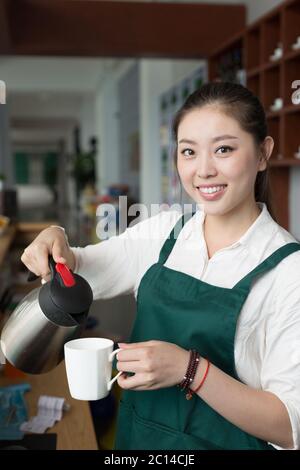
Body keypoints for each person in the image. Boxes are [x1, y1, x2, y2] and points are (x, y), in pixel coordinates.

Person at [21, 82, 300, 451]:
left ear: (263, 153)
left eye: (224, 149)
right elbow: (79, 268)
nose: (203, 170)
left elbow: (289, 426)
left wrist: (191, 371)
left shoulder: (288, 271)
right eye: (188, 152)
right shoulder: (162, 231)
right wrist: (55, 237)